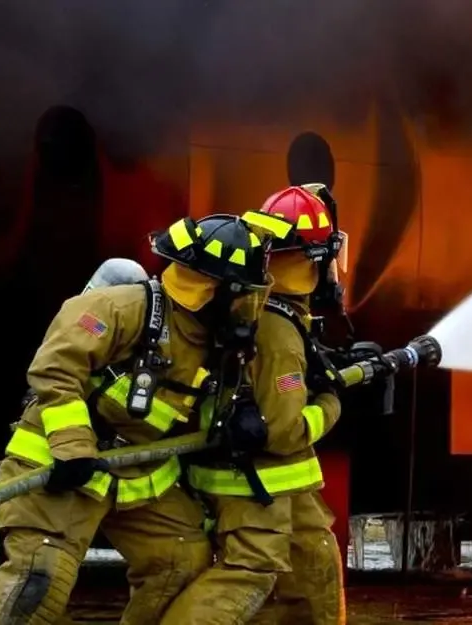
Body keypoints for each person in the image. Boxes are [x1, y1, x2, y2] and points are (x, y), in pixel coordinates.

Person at [0, 213, 276, 625]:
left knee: (182, 565)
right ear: (215, 290)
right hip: (62, 467)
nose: (249, 309)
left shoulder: (216, 342)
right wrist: (74, 448)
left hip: (138, 475)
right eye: (245, 296)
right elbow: (56, 371)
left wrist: (237, 416)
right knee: (38, 582)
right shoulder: (119, 308)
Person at [163, 185, 352, 624]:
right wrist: (330, 402)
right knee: (248, 577)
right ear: (315, 259)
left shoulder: (264, 310)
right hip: (255, 482)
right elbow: (284, 430)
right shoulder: (277, 330)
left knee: (312, 571)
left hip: (279, 487)